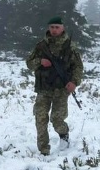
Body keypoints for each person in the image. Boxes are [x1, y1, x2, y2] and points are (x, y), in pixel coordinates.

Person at [25, 15, 84, 156]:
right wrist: (40, 61)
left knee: (57, 120)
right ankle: (44, 149)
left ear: (62, 28)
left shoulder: (70, 47)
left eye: (57, 27)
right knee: (40, 118)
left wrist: (74, 82)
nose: (54, 30)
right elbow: (29, 63)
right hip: (43, 88)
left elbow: (78, 67)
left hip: (61, 89)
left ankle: (64, 135)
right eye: (52, 27)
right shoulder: (41, 46)